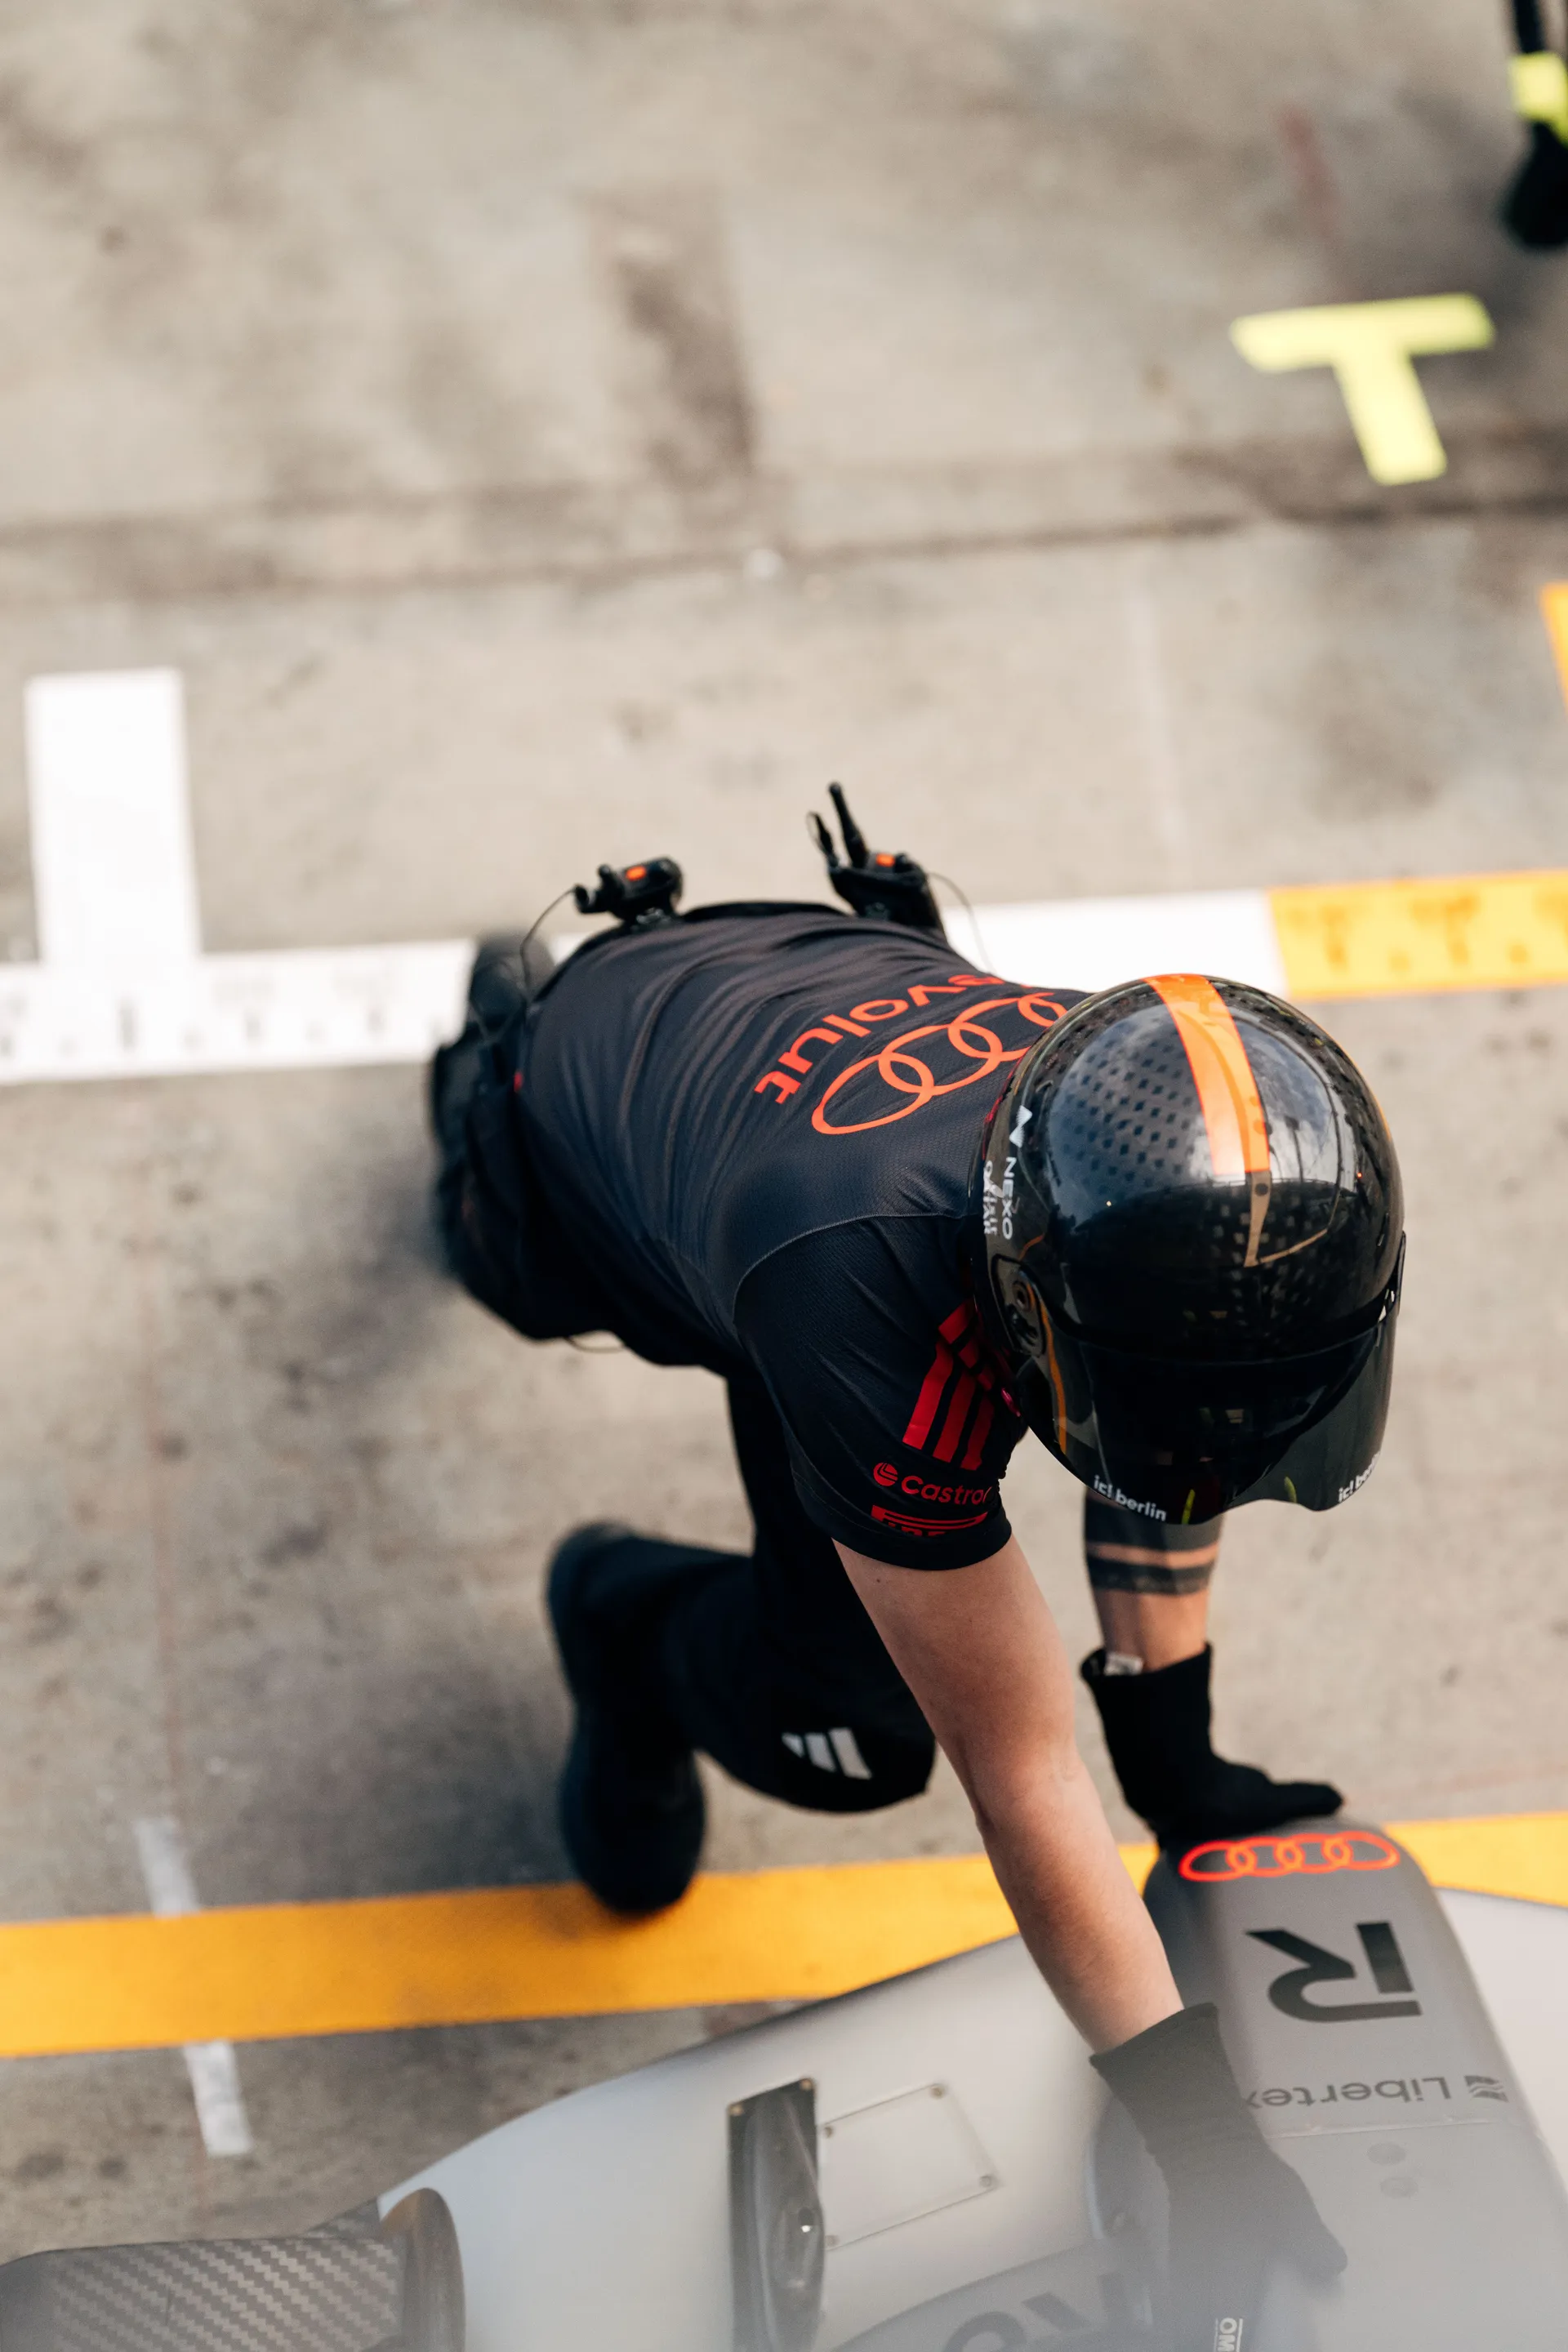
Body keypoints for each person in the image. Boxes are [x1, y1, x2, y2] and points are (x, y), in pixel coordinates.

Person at [430, 876, 1403, 2345]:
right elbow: (1018, 1772)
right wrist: (1198, 2136)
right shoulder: (858, 1297)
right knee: (851, 1728)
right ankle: (620, 1616)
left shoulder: (1159, 1156)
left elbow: (1165, 1436)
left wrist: (1168, 1731)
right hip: (581, 1128)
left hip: (793, 1014)